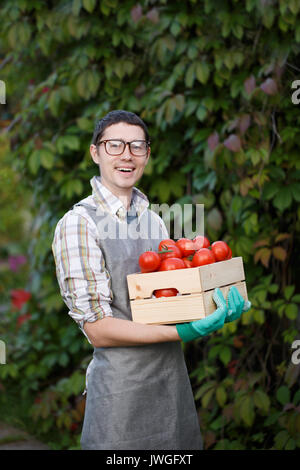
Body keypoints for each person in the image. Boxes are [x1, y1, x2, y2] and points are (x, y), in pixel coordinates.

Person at [51, 110, 251, 450]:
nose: (127, 154)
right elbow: (97, 329)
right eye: (114, 145)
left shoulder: (155, 221)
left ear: (146, 154)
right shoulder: (79, 224)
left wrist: (206, 306)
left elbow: (166, 301)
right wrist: (184, 332)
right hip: (121, 392)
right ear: (95, 153)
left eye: (137, 146)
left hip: (171, 384)